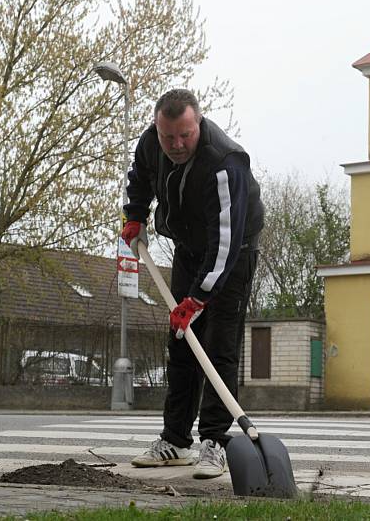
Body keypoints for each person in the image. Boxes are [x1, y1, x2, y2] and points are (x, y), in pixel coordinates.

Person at [121, 89, 264, 479]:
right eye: (169, 137)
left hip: (232, 254)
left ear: (197, 123)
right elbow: (140, 179)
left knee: (220, 345)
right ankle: (176, 441)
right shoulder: (152, 143)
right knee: (182, 342)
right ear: (158, 128)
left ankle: (214, 442)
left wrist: (198, 297)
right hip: (188, 248)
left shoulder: (224, 162)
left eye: (185, 135)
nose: (177, 145)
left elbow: (226, 242)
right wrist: (134, 216)